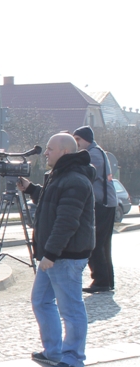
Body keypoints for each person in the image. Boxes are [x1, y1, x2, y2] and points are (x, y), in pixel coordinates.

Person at [17, 133, 96, 367]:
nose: (46, 153)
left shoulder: (75, 179)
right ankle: (54, 351)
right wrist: (31, 189)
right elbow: (52, 201)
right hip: (53, 255)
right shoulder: (61, 175)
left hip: (66, 256)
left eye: (50, 149)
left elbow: (67, 221)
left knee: (71, 309)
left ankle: (73, 359)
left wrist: (49, 254)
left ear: (63, 151)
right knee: (41, 301)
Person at [73, 126, 116, 293]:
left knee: (94, 243)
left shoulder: (93, 154)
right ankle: (106, 281)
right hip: (106, 203)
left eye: (78, 140)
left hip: (102, 204)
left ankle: (101, 280)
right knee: (103, 244)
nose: (76, 143)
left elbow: (87, 173)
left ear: (86, 139)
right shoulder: (96, 152)